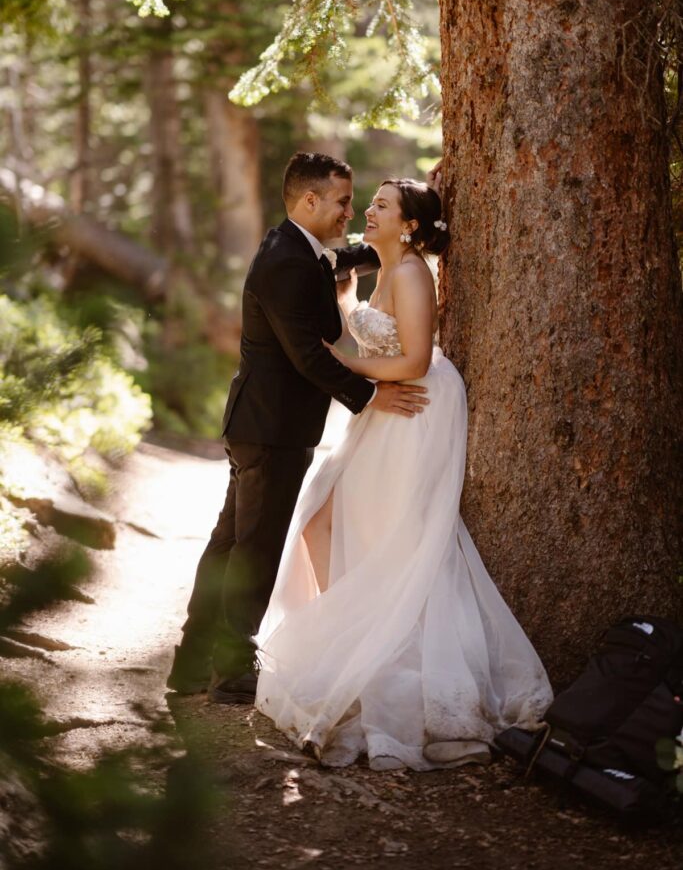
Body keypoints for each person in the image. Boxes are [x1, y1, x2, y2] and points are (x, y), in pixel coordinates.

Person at [254, 174, 553, 770]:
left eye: (382, 205)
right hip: (387, 400)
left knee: (391, 539)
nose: (368, 209)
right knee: (324, 520)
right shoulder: (387, 265)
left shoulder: (414, 273)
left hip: (414, 406)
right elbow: (371, 331)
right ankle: (353, 644)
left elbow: (413, 360)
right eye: (369, 202)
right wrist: (344, 313)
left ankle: (376, 659)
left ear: (409, 225)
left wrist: (340, 363)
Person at [166, 152, 429, 703]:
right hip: (273, 427)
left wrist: (405, 235)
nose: (349, 213)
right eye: (341, 202)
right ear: (309, 200)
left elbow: (350, 256)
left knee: (230, 543)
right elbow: (308, 355)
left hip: (262, 423)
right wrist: (373, 395)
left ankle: (192, 666)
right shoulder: (286, 260)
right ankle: (233, 667)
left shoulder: (298, 249)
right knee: (254, 547)